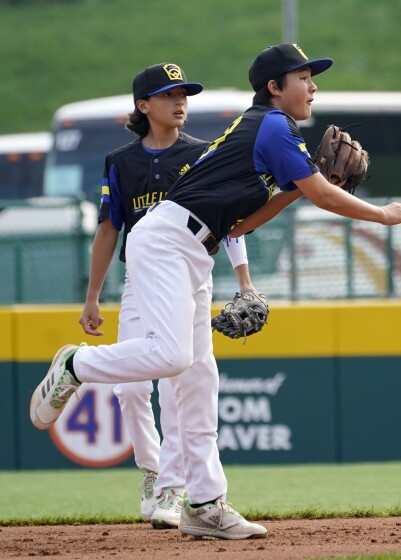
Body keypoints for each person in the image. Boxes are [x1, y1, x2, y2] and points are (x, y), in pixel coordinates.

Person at [30, 43, 401, 540]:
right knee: (173, 357)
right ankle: (76, 365)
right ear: (274, 87)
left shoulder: (265, 131)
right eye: (303, 77)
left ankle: (205, 504)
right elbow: (325, 196)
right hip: (167, 238)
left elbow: (244, 222)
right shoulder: (274, 125)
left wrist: (299, 189)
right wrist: (380, 213)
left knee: (199, 380)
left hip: (197, 247)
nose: (313, 86)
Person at [79, 63, 258, 530]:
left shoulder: (202, 154)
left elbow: (230, 221)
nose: (180, 102)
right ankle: (153, 470)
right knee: (133, 387)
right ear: (144, 105)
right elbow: (107, 228)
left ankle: (174, 490)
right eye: (168, 94)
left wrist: (244, 280)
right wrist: (92, 296)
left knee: (185, 381)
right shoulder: (121, 161)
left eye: (184, 94)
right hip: (140, 277)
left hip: (191, 272)